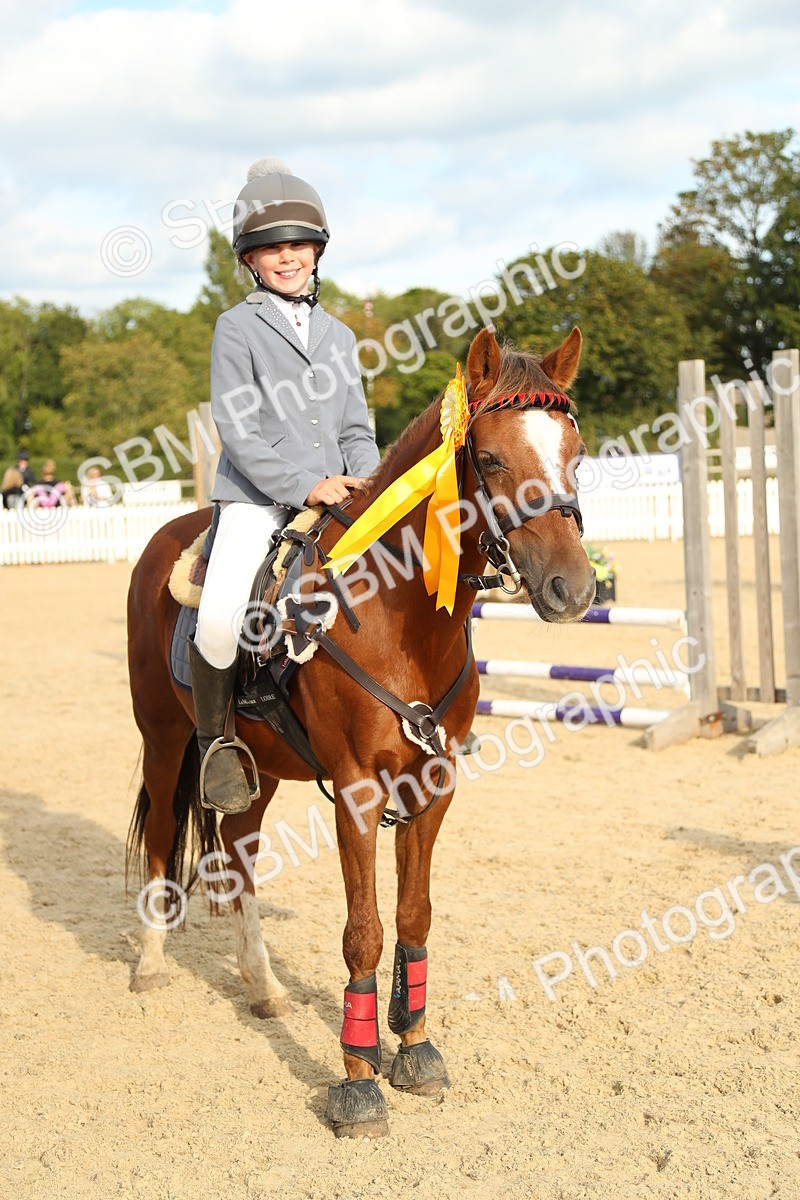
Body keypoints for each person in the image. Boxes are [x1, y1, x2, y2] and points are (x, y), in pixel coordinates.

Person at [190, 158, 381, 815]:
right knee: (218, 618)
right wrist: (309, 485)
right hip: (255, 499)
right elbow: (239, 432)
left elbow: (356, 427)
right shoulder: (235, 328)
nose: (287, 257)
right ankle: (215, 745)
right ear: (249, 258)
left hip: (338, 495)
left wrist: (366, 480)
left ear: (317, 252)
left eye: (298, 245)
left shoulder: (341, 336)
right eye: (273, 248)